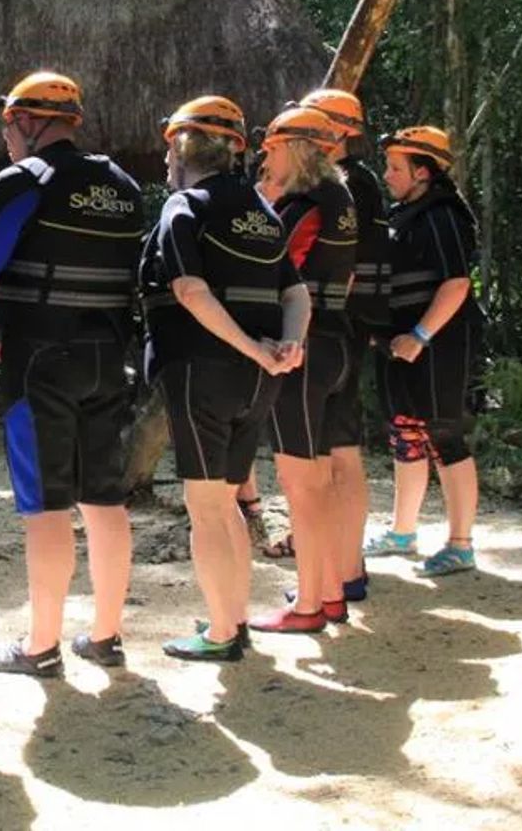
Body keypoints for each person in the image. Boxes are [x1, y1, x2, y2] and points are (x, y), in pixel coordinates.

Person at [0, 72, 143, 677]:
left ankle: (40, 648)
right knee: (105, 500)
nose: (6, 138)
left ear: (29, 122)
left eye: (9, 125)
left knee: (45, 507)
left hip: (41, 363)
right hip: (107, 359)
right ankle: (107, 637)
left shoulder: (21, 182)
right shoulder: (121, 186)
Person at [140, 96, 303, 661]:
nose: (164, 164)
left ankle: (220, 633)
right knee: (229, 503)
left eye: (169, 149)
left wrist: (257, 348)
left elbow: (188, 290)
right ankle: (232, 620)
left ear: (185, 148)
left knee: (206, 509)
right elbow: (296, 292)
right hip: (260, 380)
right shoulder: (263, 213)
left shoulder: (183, 207)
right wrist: (287, 345)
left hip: (203, 372)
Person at [245, 107, 359, 634]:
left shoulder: (304, 205)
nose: (264, 154)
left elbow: (270, 264)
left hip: (304, 351)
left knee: (303, 484)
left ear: (296, 148)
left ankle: (309, 603)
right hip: (336, 344)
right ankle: (330, 592)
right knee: (320, 480)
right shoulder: (342, 199)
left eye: (271, 146)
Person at [363, 126, 486, 577]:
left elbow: (457, 283)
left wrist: (420, 335)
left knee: (445, 435)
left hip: (439, 347)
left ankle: (460, 543)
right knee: (405, 434)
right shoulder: (406, 214)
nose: (387, 175)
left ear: (422, 173)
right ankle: (402, 531)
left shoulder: (442, 216)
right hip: (401, 346)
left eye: (396, 168)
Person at [302, 89, 389, 605]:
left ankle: (341, 570)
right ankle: (345, 568)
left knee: (332, 457)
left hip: (336, 327)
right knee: (341, 451)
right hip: (350, 327)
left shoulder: (344, 186)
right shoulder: (363, 184)